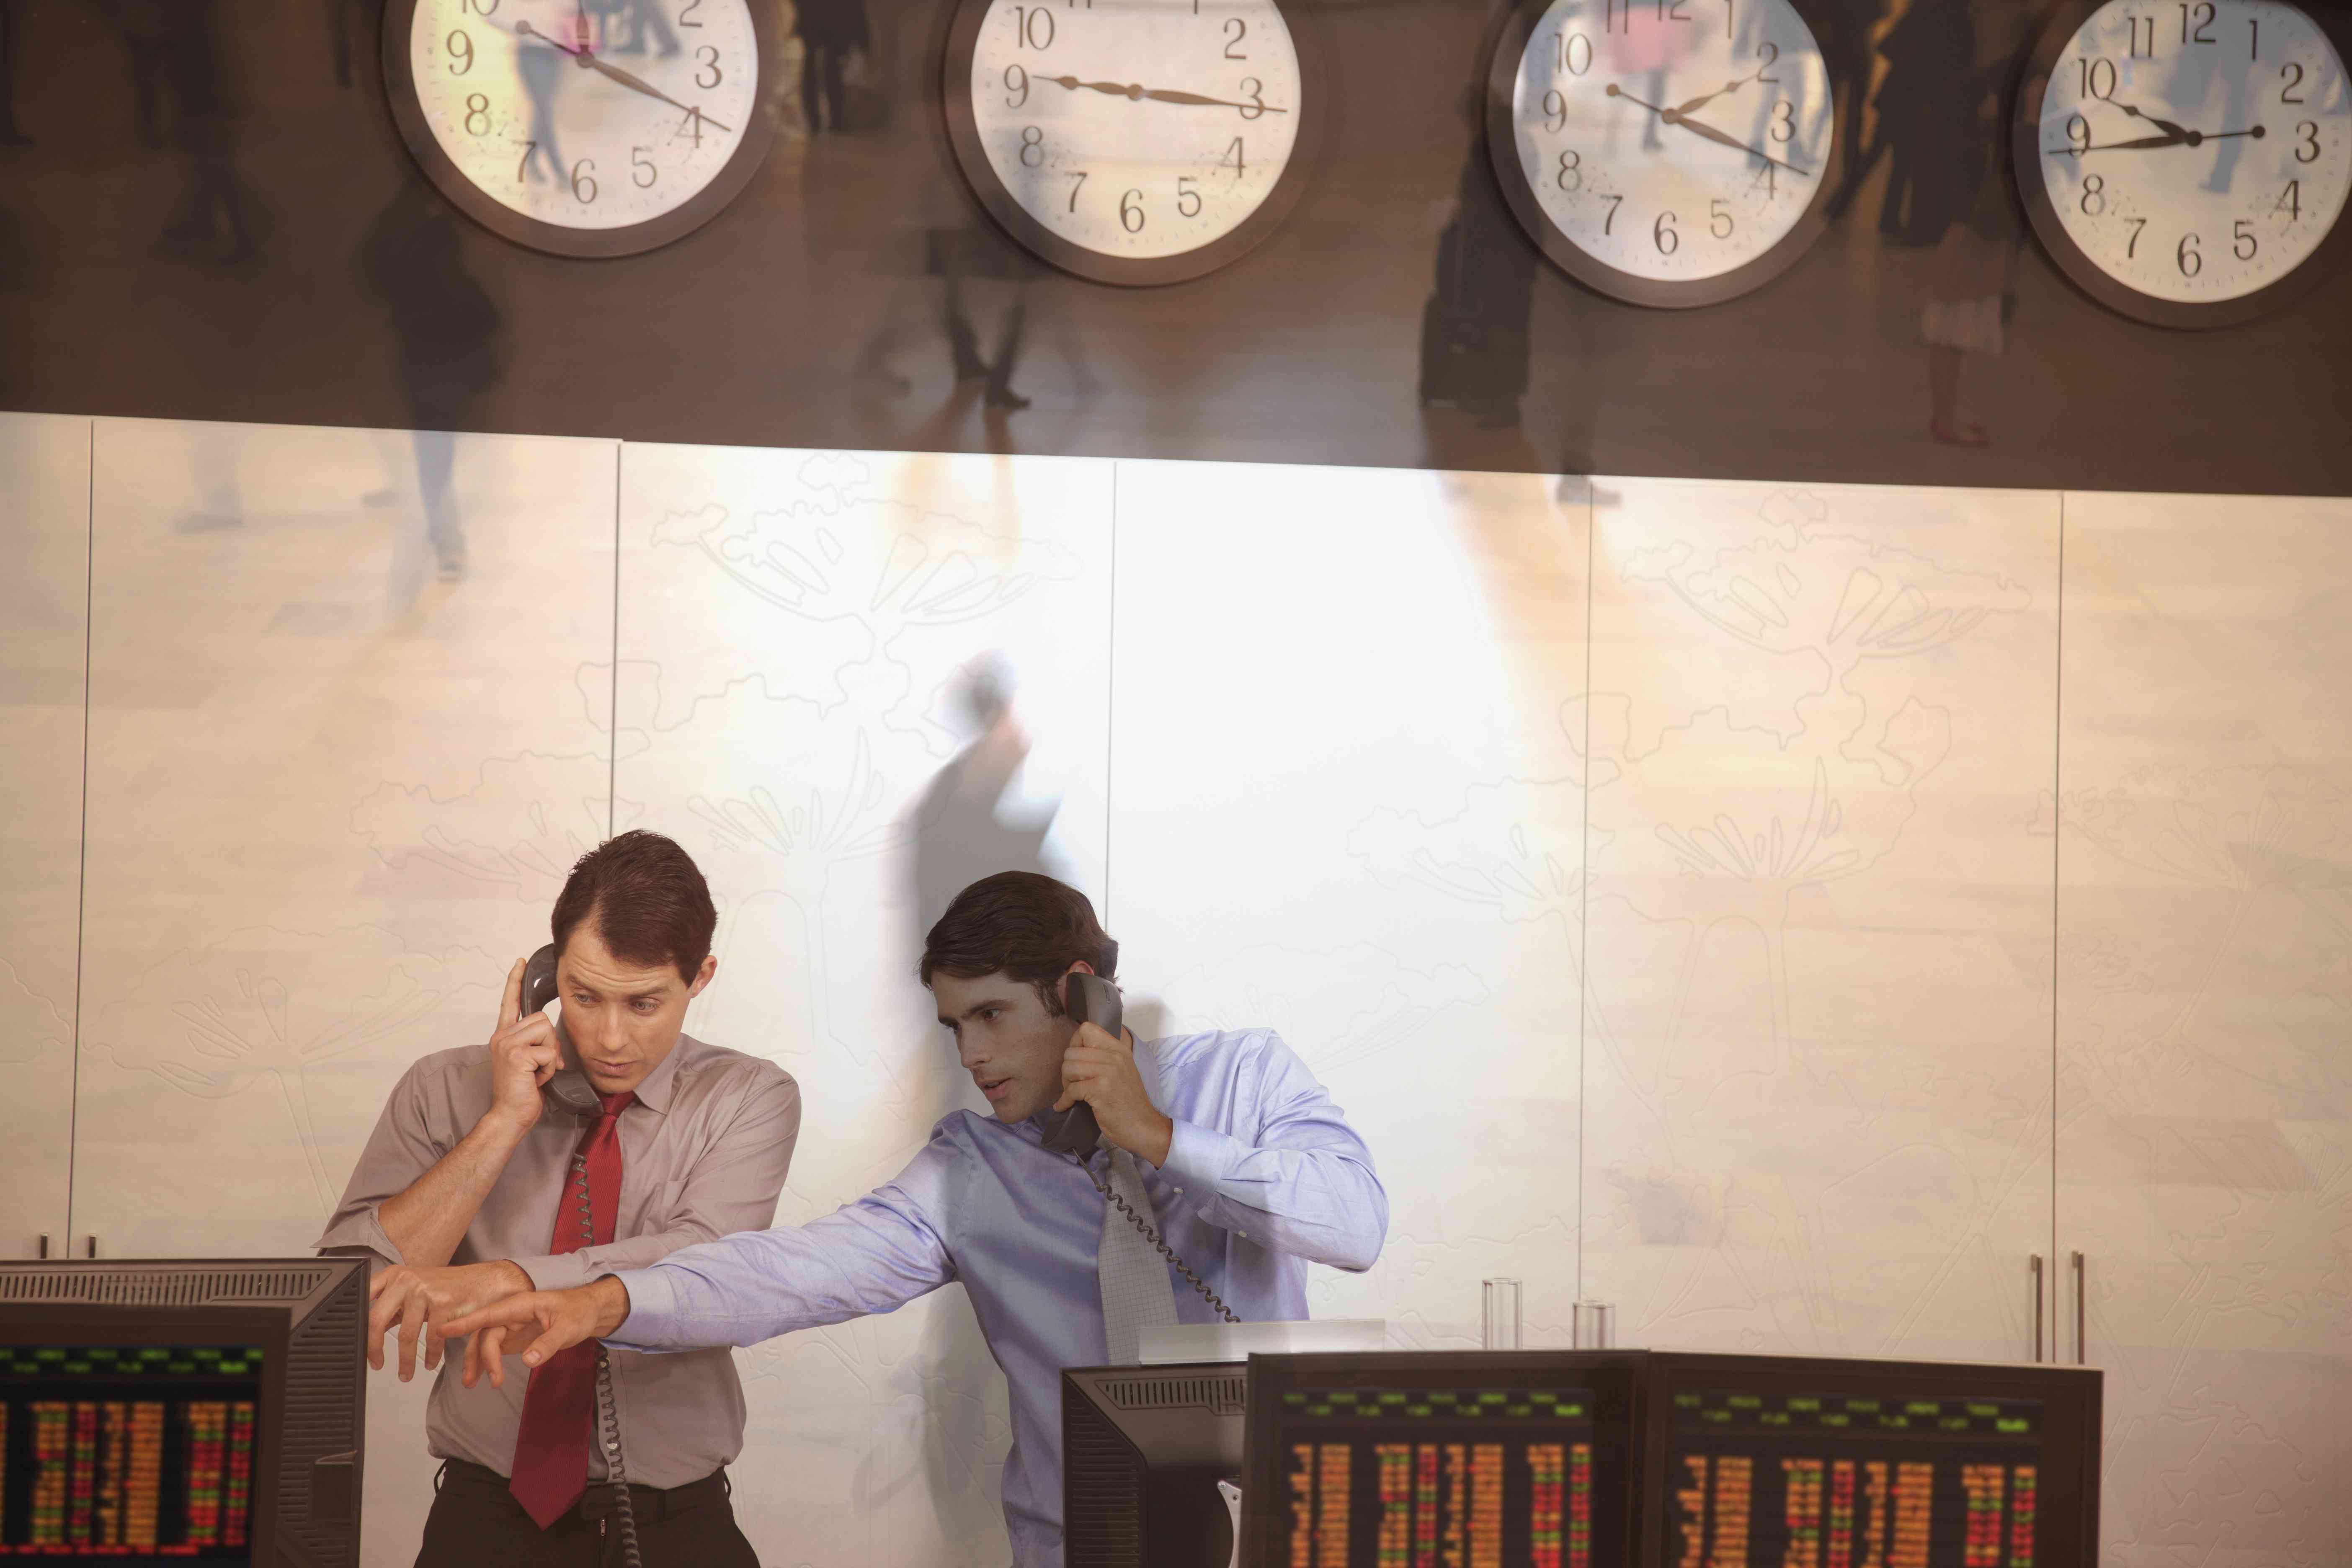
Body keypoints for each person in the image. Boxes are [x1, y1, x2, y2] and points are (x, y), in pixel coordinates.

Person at [445, 871, 1388, 1568]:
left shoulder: (1243, 1079)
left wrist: (1158, 1137)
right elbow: (796, 1272)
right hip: (1079, 1549)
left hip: (1292, 1535)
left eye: (992, 1016)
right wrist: (601, 1300)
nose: (971, 1055)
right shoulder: (972, 1169)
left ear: (1080, 994)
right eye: (954, 1026)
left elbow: (1355, 1226)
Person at [316, 831, 801, 1568]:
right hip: (485, 1518)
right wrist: (503, 1122)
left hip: (676, 1523)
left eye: (644, 1003)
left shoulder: (748, 1097)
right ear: (547, 977)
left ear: (700, 977)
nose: (610, 1038)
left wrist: (510, 1280)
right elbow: (353, 1299)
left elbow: (706, 1263)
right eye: (584, 997)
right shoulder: (442, 1089)